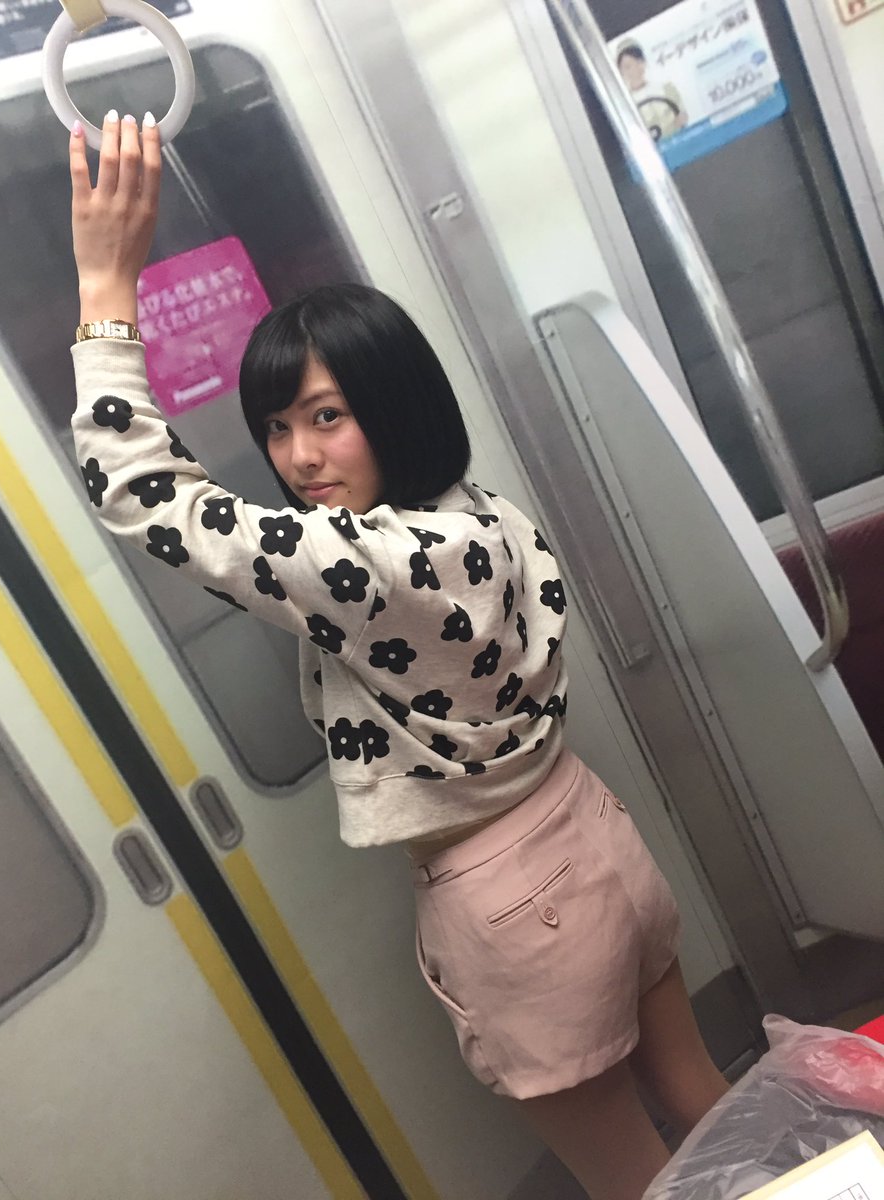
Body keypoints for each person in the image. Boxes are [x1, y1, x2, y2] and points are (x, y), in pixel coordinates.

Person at [68, 111, 728, 1200]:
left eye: (326, 417)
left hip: (511, 902)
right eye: (278, 428)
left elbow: (147, 497)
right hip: (592, 834)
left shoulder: (376, 566)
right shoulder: (476, 514)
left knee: (634, 1182)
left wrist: (106, 293)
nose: (298, 458)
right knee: (709, 1110)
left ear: (393, 407)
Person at [617, 42, 689, 142]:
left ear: (643, 63)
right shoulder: (625, 105)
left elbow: (682, 116)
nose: (634, 69)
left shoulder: (666, 89)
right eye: (627, 67)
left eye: (638, 62)